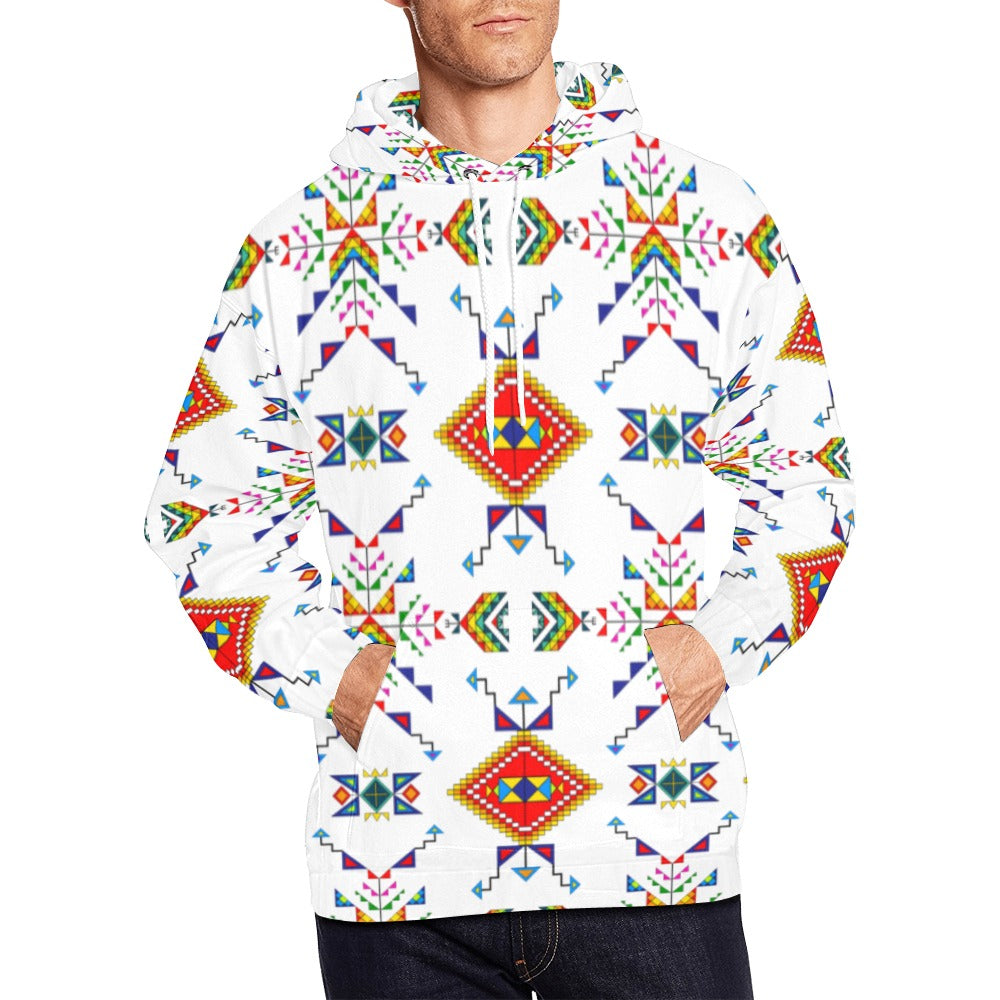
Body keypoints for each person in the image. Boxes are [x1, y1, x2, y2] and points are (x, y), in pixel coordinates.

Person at [142, 1, 857, 996]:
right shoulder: (301, 245)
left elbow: (808, 477)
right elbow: (202, 507)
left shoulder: (709, 217)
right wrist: (339, 679)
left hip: (656, 846)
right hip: (396, 865)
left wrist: (712, 650)